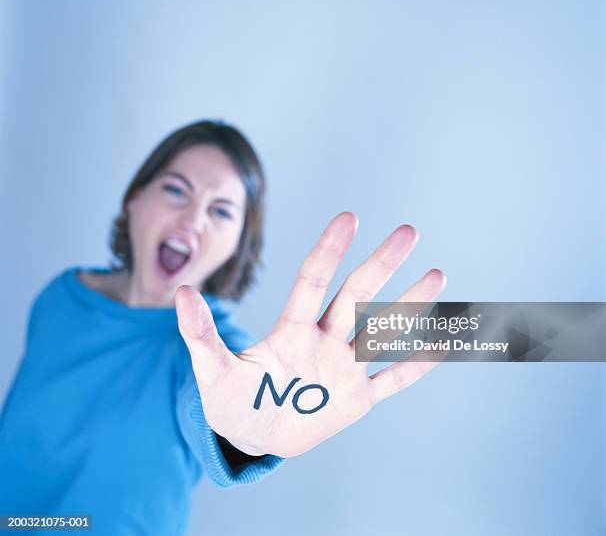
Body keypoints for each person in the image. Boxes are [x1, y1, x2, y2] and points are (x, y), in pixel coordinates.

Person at [0, 120, 447, 535]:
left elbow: (217, 399)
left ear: (237, 246)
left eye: (221, 211)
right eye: (177, 190)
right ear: (135, 198)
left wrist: (244, 435)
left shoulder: (220, 351)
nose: (193, 221)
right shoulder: (62, 296)